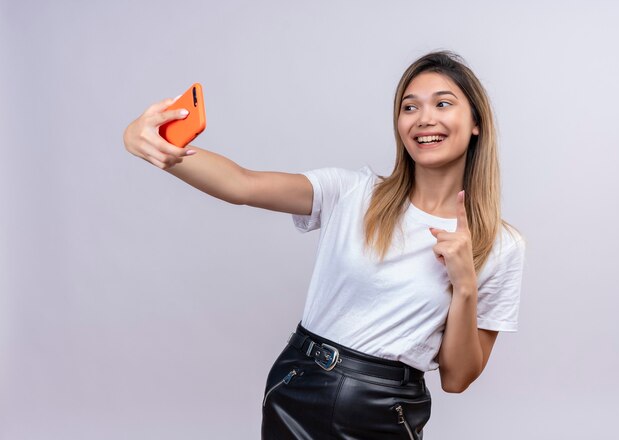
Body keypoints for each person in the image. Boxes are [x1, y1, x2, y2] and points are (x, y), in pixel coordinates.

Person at [123, 49, 526, 439]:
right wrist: (149, 141)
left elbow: (457, 379)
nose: (424, 119)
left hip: (386, 410)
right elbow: (241, 184)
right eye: (409, 107)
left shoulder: (501, 246)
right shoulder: (352, 192)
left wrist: (465, 284)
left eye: (442, 104)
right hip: (299, 387)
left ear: (476, 122)